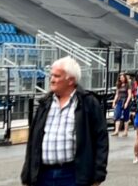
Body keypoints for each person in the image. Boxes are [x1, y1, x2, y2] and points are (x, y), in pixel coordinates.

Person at [21, 56, 108, 186]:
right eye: (51, 75)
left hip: (73, 175)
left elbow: (101, 139)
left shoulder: (88, 102)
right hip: (43, 175)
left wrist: (98, 176)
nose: (52, 80)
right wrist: (27, 175)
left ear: (71, 80)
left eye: (57, 76)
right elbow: (33, 141)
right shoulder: (45, 103)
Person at [112, 73, 133, 137]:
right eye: (120, 78)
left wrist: (126, 103)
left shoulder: (128, 84)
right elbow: (117, 94)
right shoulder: (118, 84)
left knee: (126, 116)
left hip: (125, 100)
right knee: (117, 115)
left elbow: (129, 95)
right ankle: (116, 131)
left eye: (122, 78)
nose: (121, 79)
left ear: (125, 78)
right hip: (119, 101)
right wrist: (114, 101)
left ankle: (125, 131)